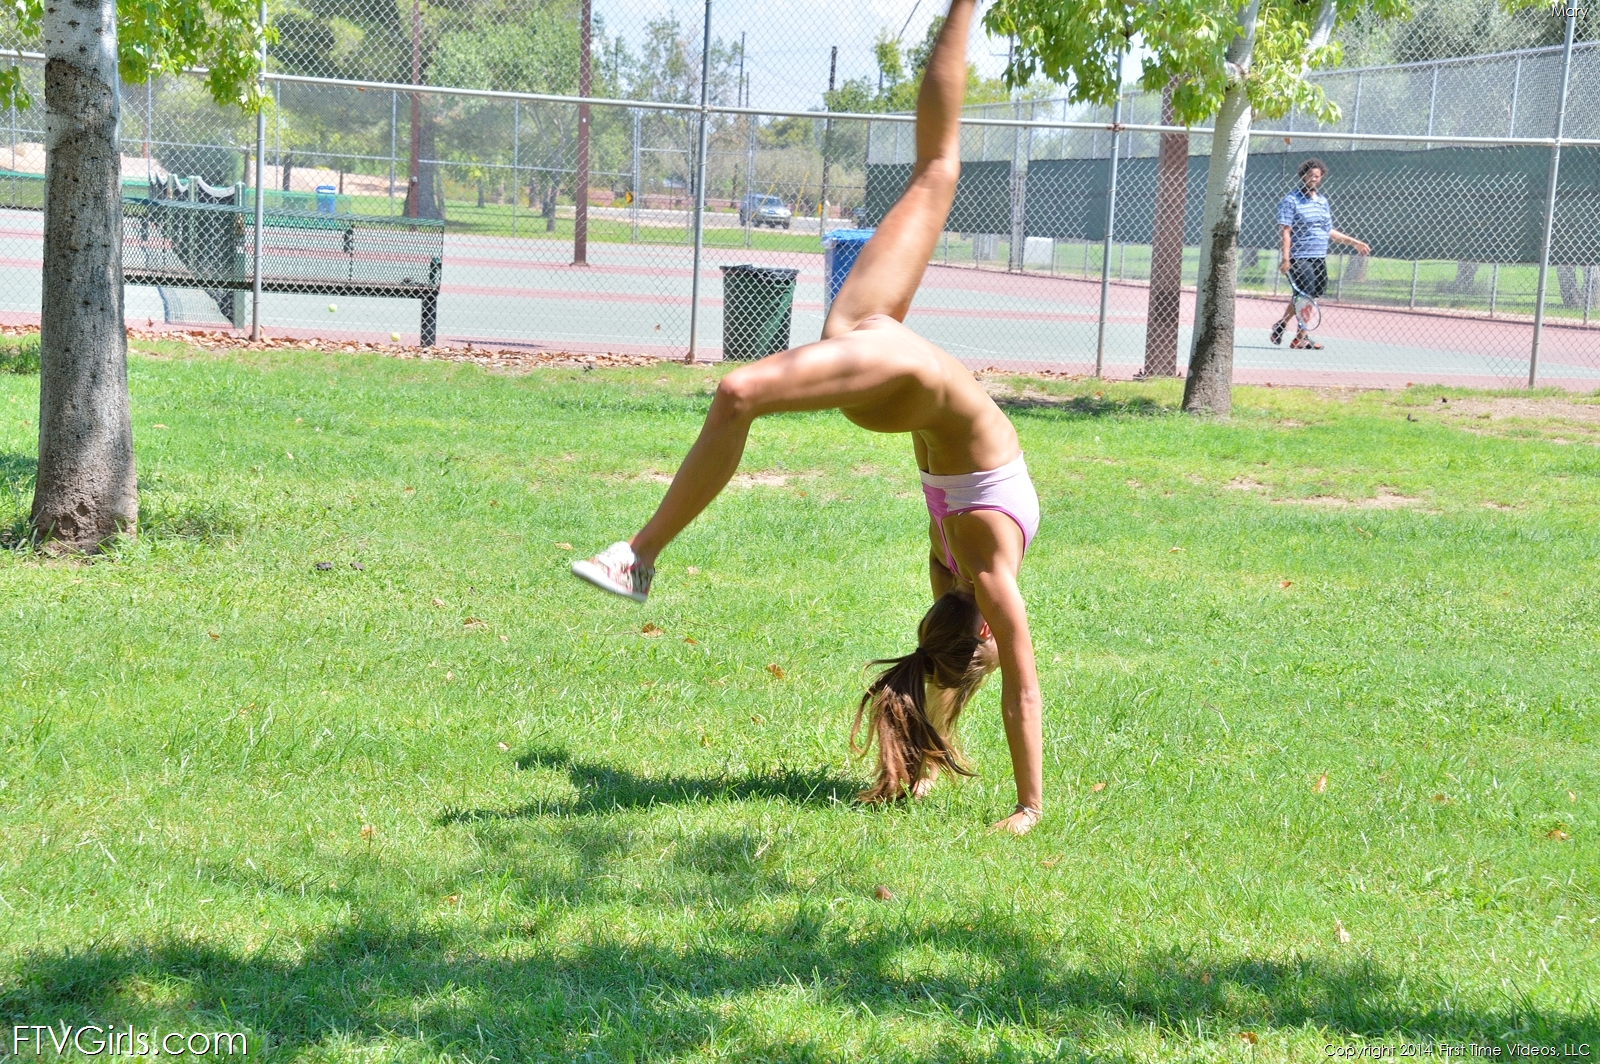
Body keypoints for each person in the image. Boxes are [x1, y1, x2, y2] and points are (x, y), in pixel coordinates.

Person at [569, 0, 1043, 836]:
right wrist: (1028, 806)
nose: (997, 655)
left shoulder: (956, 583)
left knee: (741, 390)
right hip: (896, 369)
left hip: (891, 368)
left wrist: (924, 763)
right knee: (933, 174)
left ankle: (640, 555)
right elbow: (1021, 688)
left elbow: (959, 672)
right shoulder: (985, 570)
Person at [1271, 158, 1371, 350]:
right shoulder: (1291, 200)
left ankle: (1281, 325)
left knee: (1307, 296)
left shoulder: (1323, 201)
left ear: (1321, 177)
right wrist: (1285, 258)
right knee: (1306, 296)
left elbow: (1328, 230)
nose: (1314, 179)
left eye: (1317, 176)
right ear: (1303, 176)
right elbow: (1285, 231)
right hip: (1299, 257)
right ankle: (1301, 337)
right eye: (1310, 175)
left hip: (1319, 257)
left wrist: (1354, 243)